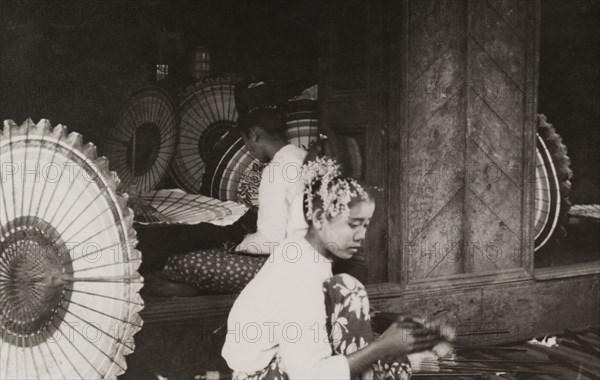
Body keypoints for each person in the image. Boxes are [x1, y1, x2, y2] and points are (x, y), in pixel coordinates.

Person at [222, 156, 451, 380]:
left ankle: (397, 362)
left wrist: (398, 324)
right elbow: (309, 376)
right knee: (351, 290)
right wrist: (383, 346)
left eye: (365, 225)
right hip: (263, 374)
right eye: (353, 225)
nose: (362, 236)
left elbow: (324, 315)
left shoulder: (302, 249)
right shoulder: (299, 276)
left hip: (280, 361)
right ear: (320, 218)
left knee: (346, 291)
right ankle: (398, 365)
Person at [150, 82, 309, 294]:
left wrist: (239, 244)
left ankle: (198, 291)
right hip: (309, 260)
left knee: (177, 263)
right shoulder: (302, 157)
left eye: (245, 141)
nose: (249, 149)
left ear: (252, 134)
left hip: (283, 268)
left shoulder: (276, 169)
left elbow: (271, 242)